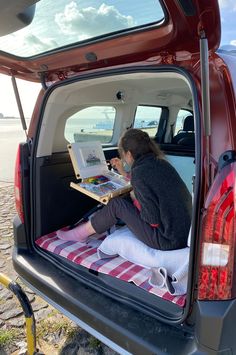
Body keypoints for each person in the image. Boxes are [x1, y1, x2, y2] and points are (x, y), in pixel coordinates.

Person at [57, 129, 192, 250]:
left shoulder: (140, 173)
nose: (123, 158)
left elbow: (153, 220)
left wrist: (135, 199)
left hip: (167, 240)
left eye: (122, 154)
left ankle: (79, 234)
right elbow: (149, 185)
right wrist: (123, 172)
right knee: (124, 199)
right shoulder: (161, 163)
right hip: (185, 232)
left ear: (128, 153)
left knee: (117, 205)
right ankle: (97, 224)